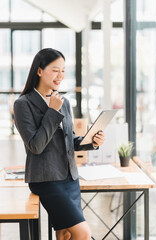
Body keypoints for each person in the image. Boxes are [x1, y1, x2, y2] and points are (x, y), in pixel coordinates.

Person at [14, 48, 105, 240]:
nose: (60, 76)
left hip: (70, 178)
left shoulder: (64, 102)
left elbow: (69, 140)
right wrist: (52, 112)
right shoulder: (23, 104)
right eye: (55, 70)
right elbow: (35, 146)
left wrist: (91, 142)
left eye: (63, 70)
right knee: (83, 233)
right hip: (46, 180)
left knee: (65, 235)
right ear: (39, 71)